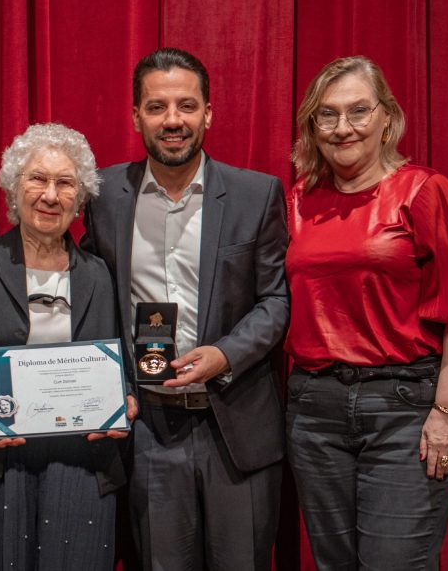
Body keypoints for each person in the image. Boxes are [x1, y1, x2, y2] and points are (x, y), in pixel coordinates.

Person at [284, 56, 448, 569]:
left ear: (388, 118)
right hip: (314, 408)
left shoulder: (428, 193)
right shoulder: (299, 200)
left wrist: (447, 415)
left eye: (359, 111)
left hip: (404, 408)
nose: (343, 128)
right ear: (312, 126)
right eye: (327, 115)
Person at [81, 47, 289, 571]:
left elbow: (277, 300)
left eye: (186, 106)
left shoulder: (255, 194)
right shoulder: (104, 195)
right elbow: (88, 296)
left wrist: (225, 353)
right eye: (156, 107)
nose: (172, 120)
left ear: (208, 113)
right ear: (136, 116)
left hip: (234, 425)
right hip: (148, 430)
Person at [0, 123, 134, 570]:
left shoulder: (100, 273)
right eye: (37, 179)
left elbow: (124, 361)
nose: (50, 195)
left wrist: (125, 402)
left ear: (80, 199)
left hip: (83, 459)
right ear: (13, 189)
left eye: (65, 183)